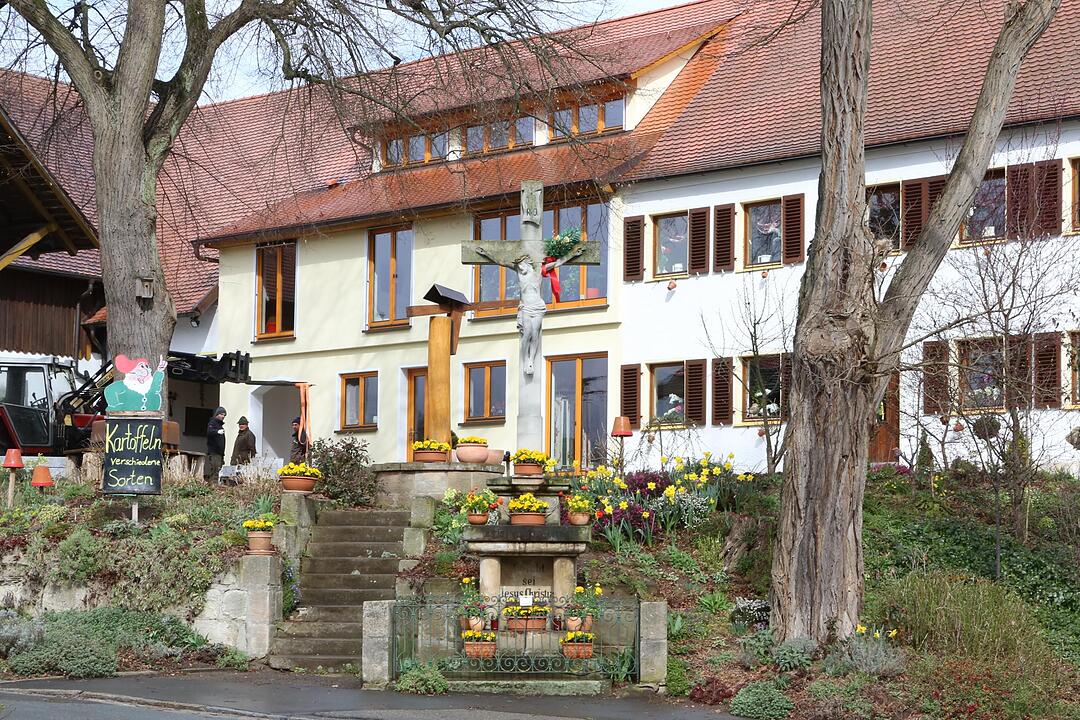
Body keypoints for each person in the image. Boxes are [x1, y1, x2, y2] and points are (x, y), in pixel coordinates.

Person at [205, 407, 227, 482]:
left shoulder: (219, 425)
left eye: (224, 415)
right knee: (215, 471)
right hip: (214, 452)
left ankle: (213, 486)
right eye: (221, 414)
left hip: (219, 453)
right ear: (217, 414)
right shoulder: (212, 423)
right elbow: (209, 432)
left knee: (217, 471)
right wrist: (217, 432)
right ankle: (212, 487)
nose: (223, 416)